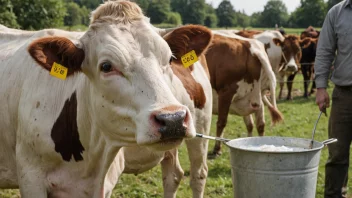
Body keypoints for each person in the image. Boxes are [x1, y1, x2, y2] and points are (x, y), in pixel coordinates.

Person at [314, 1, 352, 197]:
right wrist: (321, 87)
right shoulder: (337, 13)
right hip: (344, 95)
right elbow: (324, 51)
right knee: (337, 153)